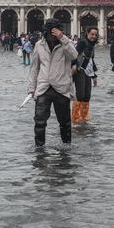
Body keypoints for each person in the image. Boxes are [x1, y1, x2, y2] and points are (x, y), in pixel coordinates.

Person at [28, 18, 78, 146]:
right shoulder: (39, 45)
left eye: (56, 34)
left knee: (65, 122)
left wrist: (63, 39)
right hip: (44, 87)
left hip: (61, 87)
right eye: (51, 34)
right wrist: (31, 87)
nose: (53, 37)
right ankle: (39, 149)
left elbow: (74, 56)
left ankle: (66, 147)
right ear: (46, 33)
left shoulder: (67, 44)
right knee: (39, 120)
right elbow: (34, 68)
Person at [72, 26, 99, 124]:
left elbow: (91, 60)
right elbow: (74, 54)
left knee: (87, 95)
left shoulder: (92, 45)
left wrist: (94, 75)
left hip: (88, 71)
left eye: (95, 35)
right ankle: (75, 119)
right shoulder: (82, 42)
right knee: (80, 94)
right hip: (80, 70)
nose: (94, 36)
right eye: (92, 34)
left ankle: (84, 118)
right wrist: (74, 65)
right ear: (87, 33)